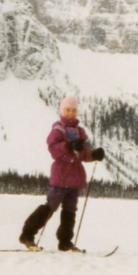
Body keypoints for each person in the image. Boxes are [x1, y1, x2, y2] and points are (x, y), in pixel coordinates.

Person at [18, 96, 105, 252]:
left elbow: (84, 153)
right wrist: (69, 145)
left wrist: (94, 154)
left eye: (73, 110)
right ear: (62, 111)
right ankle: (27, 235)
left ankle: (65, 242)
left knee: (70, 211)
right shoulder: (58, 128)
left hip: (75, 178)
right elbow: (53, 148)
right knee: (51, 206)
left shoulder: (80, 131)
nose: (70, 113)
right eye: (67, 110)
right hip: (61, 175)